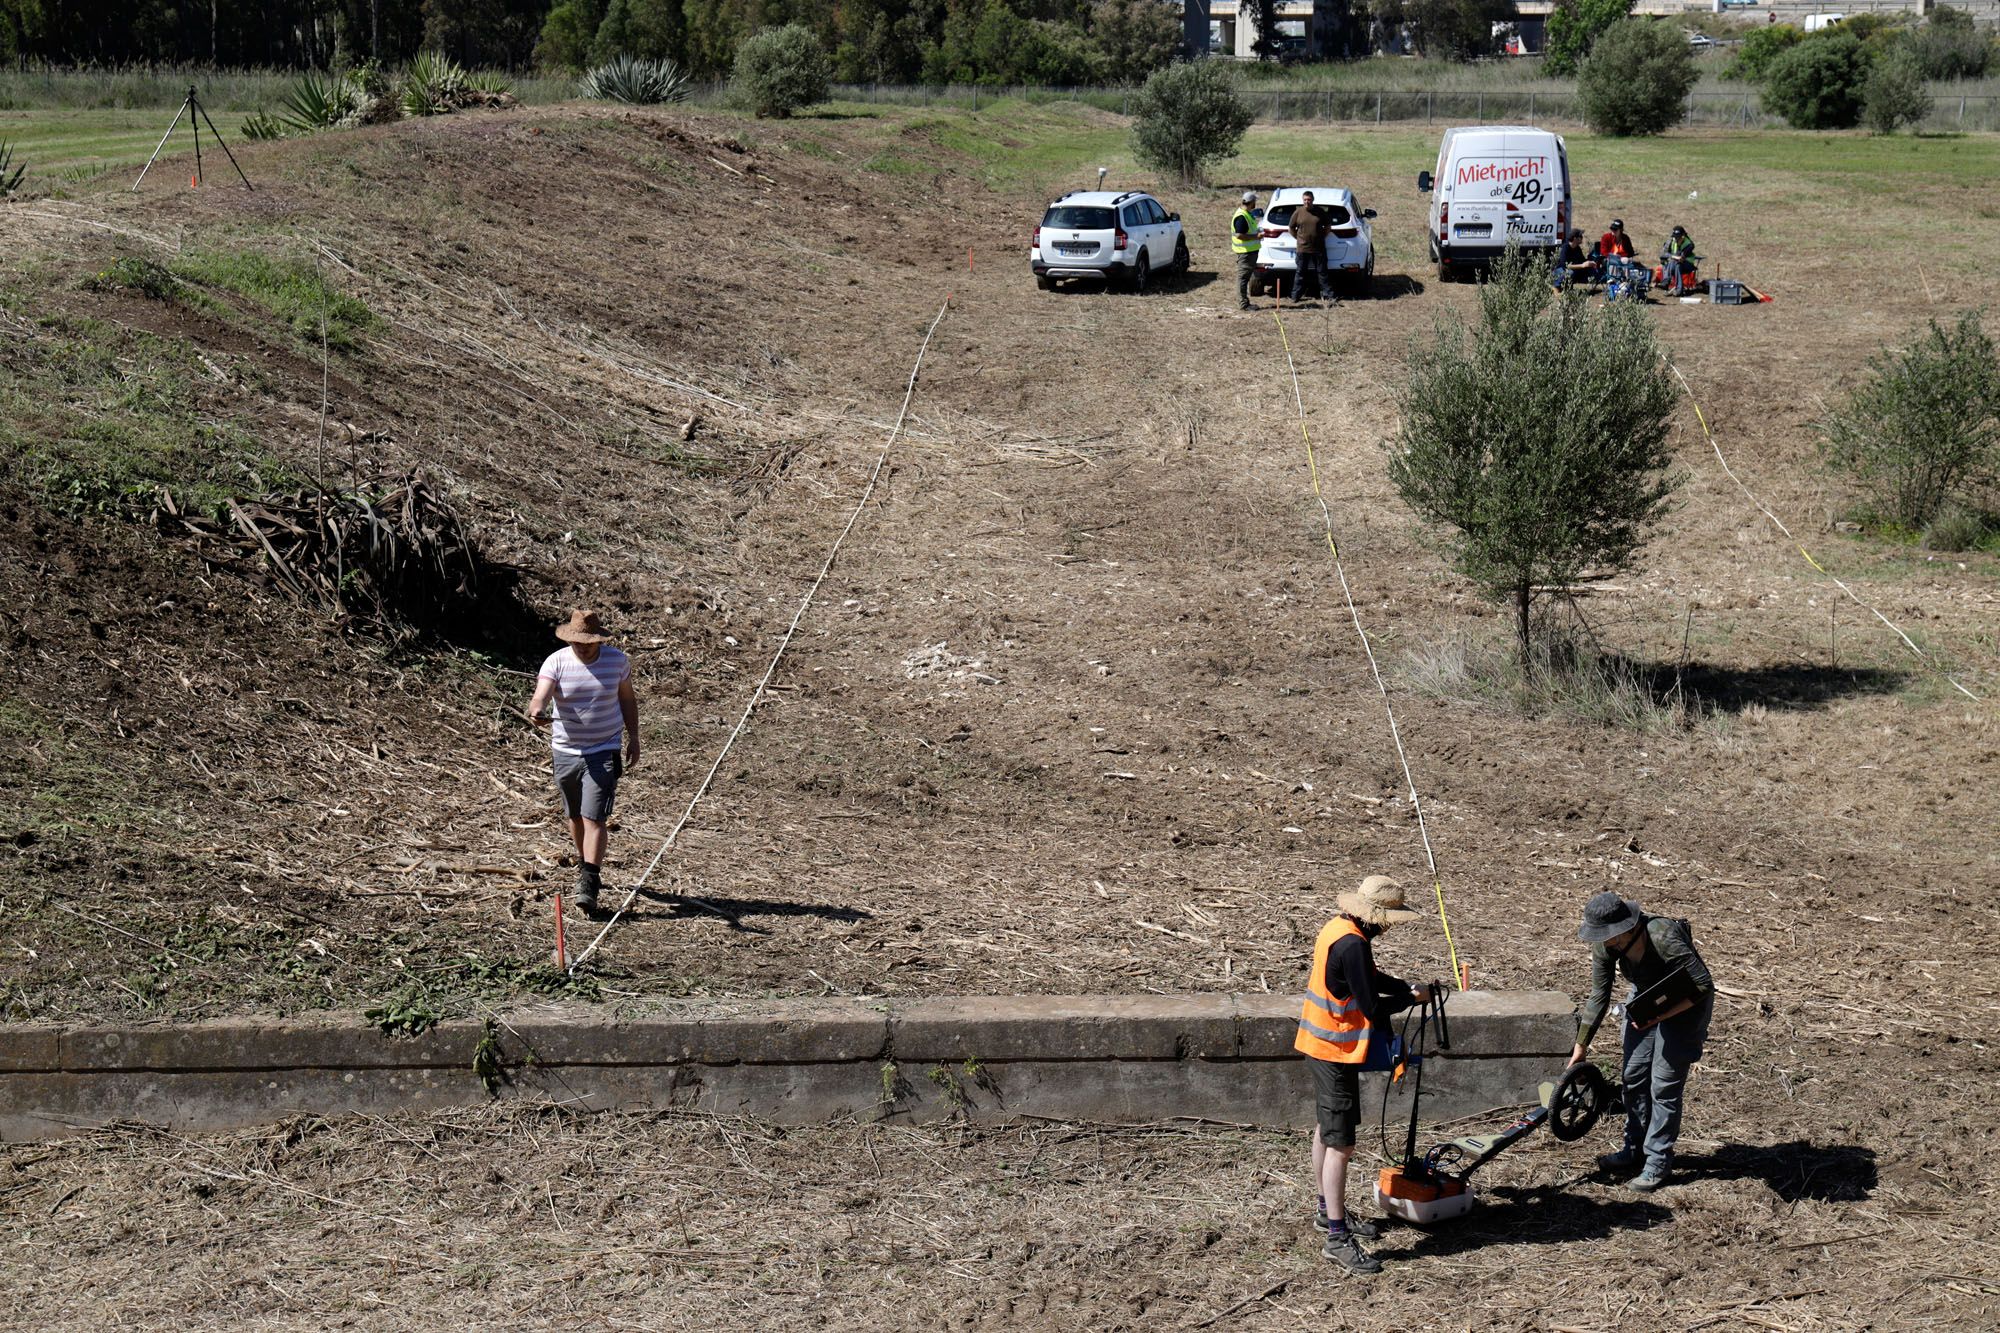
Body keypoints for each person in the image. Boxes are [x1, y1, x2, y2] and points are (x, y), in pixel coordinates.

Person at [1296, 875, 1432, 1274]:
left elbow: (1367, 979)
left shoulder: (1339, 928)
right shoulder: (1355, 943)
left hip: (1320, 1045)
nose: (1390, 927)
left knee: (1327, 1129)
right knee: (1342, 1145)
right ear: (1378, 917)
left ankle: (1326, 1212)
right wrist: (1410, 997)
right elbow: (1372, 1007)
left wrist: (1407, 985)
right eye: (1389, 920)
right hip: (1334, 1050)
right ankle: (1337, 1238)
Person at [1568, 891, 1715, 1192]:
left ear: (1627, 928)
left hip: (1685, 1002)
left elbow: (1702, 983)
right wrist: (1580, 1048)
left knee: (1664, 1085)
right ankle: (1633, 1148)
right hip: (1646, 999)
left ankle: (1657, 1162)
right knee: (1633, 1077)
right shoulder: (1606, 947)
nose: (1604, 941)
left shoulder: (1662, 934)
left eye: (1608, 935)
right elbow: (1599, 997)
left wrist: (1660, 1017)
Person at [528, 608, 640, 918]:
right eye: (578, 642)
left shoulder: (616, 661)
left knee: (595, 818)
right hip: (566, 750)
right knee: (575, 815)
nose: (584, 647)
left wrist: (634, 736)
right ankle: (584, 864)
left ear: (599, 640)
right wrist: (536, 710)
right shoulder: (557, 661)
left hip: (604, 749)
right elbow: (541, 695)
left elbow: (627, 700)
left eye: (589, 642)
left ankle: (590, 881)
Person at [1288, 190, 1331, 303]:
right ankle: (1295, 296)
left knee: (1322, 272)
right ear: (1303, 200)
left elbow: (1327, 226)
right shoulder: (1298, 212)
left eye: (1309, 200)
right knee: (1300, 273)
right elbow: (1291, 228)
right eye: (1305, 200)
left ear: (1313, 200)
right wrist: (1298, 239)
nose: (1307, 202)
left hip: (1319, 248)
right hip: (1303, 249)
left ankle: (1327, 295)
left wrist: (1321, 237)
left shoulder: (1320, 212)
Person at [1232, 190, 1262, 311]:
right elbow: (1239, 235)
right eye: (1255, 201)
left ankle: (1244, 302)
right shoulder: (1241, 216)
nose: (1256, 203)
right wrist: (1256, 237)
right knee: (1243, 278)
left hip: (1248, 252)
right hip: (1245, 253)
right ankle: (1243, 304)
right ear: (1251, 202)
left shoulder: (1247, 214)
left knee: (1244, 278)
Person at [1659, 225, 1698, 294]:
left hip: (1688, 264)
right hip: (1674, 263)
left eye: (1677, 237)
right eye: (1674, 237)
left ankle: (1668, 283)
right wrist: (1673, 257)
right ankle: (1678, 289)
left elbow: (1681, 258)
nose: (1675, 239)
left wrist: (1673, 257)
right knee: (1673, 263)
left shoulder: (1689, 245)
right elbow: (1663, 253)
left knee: (1677, 264)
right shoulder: (1672, 241)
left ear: (1683, 236)